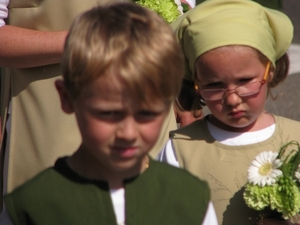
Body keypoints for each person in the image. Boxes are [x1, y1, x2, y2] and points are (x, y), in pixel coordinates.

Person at [1, 3, 218, 225]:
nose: (128, 132)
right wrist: (94, 42)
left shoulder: (191, 200)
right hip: (48, 117)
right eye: (109, 113)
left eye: (144, 114)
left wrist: (180, 96)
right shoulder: (30, 205)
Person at [157, 0, 300, 224]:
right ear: (196, 83)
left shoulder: (296, 139)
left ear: (269, 71)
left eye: (245, 80)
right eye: (213, 85)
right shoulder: (182, 150)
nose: (232, 99)